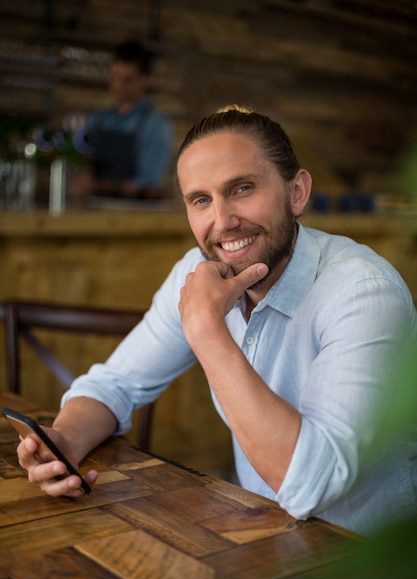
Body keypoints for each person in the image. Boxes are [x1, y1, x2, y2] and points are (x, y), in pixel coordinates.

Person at [18, 105, 417, 536]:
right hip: (266, 537)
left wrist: (207, 330)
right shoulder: (196, 272)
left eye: (243, 188)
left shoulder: (363, 290)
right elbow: (114, 384)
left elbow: (311, 486)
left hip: (370, 566)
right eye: (201, 200)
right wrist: (65, 442)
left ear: (297, 192)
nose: (222, 222)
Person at [70, 40, 173, 199]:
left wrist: (95, 185)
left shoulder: (157, 125)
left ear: (146, 79)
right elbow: (80, 161)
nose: (119, 85)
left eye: (128, 80)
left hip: (133, 215)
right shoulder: (98, 119)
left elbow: (147, 184)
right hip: (92, 209)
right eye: (116, 77)